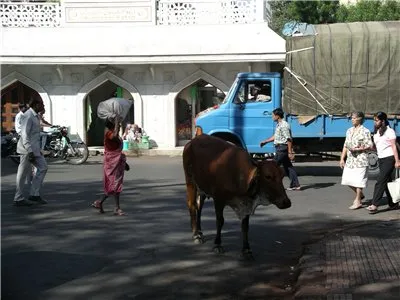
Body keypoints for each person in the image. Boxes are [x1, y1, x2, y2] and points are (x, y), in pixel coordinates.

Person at [13, 97, 48, 206]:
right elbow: (24, 135)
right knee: (22, 174)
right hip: (26, 150)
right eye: (42, 105)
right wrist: (29, 150)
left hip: (35, 150)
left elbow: (35, 135)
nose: (43, 107)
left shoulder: (36, 116)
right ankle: (18, 198)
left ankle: (34, 194)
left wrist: (38, 150)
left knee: (43, 167)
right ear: (36, 105)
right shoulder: (28, 116)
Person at [92, 116, 129, 216]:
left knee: (114, 185)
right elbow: (114, 136)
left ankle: (101, 203)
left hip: (117, 162)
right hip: (111, 163)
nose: (119, 124)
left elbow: (118, 148)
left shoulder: (112, 132)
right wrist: (117, 122)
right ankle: (115, 207)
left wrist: (124, 163)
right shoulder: (108, 133)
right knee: (114, 185)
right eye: (117, 123)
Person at [366, 112, 400, 214]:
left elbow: (394, 146)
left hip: (389, 158)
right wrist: (369, 147)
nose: (374, 122)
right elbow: (376, 147)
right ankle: (393, 204)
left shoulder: (390, 132)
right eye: (374, 120)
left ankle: (374, 204)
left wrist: (397, 160)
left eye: (376, 120)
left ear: (383, 121)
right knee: (386, 182)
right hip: (381, 159)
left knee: (380, 180)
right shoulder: (376, 133)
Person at [260, 108, 301, 190]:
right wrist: (266, 141)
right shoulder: (279, 124)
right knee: (288, 167)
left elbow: (288, 139)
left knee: (273, 166)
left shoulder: (284, 125)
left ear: (277, 116)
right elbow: (276, 136)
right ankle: (295, 185)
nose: (272, 117)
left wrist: (290, 152)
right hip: (280, 147)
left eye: (273, 115)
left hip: (282, 148)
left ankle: (267, 185)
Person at [340, 112, 373, 210]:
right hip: (350, 159)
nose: (352, 120)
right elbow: (345, 145)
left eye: (354, 118)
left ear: (360, 119)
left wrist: (359, 149)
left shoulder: (365, 131)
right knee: (347, 180)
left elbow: (370, 145)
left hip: (361, 159)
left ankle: (358, 200)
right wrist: (342, 158)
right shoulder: (349, 130)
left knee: (359, 181)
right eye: (351, 118)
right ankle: (360, 194)